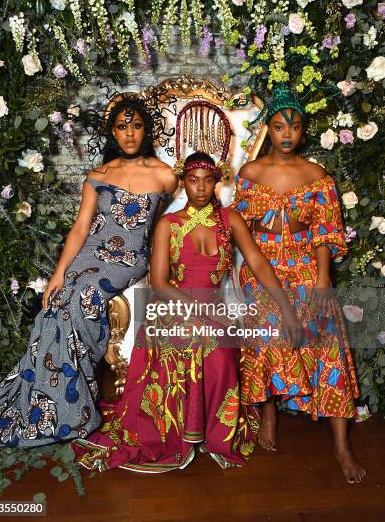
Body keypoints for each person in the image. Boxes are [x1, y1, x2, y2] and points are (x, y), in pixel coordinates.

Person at [72, 151, 300, 472]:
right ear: (183, 184)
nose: (202, 188)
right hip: (173, 309)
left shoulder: (230, 220)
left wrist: (285, 306)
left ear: (217, 182)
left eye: (208, 181)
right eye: (193, 181)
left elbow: (258, 261)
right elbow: (161, 284)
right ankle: (180, 431)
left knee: (221, 352)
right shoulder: (168, 224)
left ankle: (211, 433)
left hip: (214, 311)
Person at [0, 95, 177, 448]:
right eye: (121, 127)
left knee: (82, 298)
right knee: (56, 302)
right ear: (112, 133)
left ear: (146, 130)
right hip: (88, 254)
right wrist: (58, 274)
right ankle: (53, 402)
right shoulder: (98, 175)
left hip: (127, 260)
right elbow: (81, 228)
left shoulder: (164, 175)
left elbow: (164, 227)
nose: (129, 134)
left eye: (136, 126)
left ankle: (71, 410)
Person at [232, 82, 365, 484]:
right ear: (267, 130)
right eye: (277, 127)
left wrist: (323, 281)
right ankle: (269, 414)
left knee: (328, 343)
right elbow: (241, 231)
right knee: (271, 334)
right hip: (262, 270)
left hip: (307, 267)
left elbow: (326, 232)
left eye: (293, 127)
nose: (286, 134)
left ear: (303, 130)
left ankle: (342, 446)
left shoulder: (317, 175)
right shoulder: (251, 174)